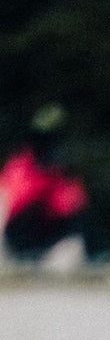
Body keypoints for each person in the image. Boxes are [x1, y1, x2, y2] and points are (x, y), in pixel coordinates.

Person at [1, 108, 88, 270]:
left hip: (48, 249)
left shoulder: (65, 177)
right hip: (12, 243)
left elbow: (69, 221)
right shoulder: (19, 168)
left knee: (71, 248)